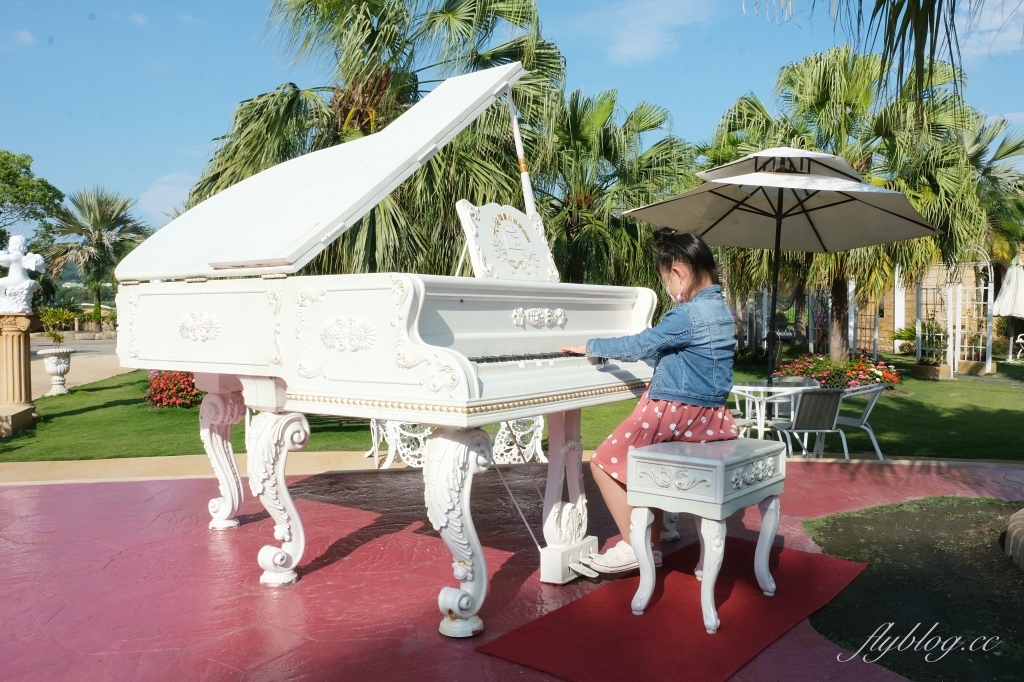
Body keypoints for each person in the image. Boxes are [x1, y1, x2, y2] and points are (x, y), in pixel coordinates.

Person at [561, 228, 738, 573]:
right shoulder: (720, 311)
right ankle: (653, 541)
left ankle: (634, 545)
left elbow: (639, 345)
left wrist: (591, 346)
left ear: (679, 273)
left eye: (666, 281)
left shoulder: (686, 316)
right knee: (647, 468)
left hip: (673, 412)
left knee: (603, 461)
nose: (668, 290)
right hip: (709, 417)